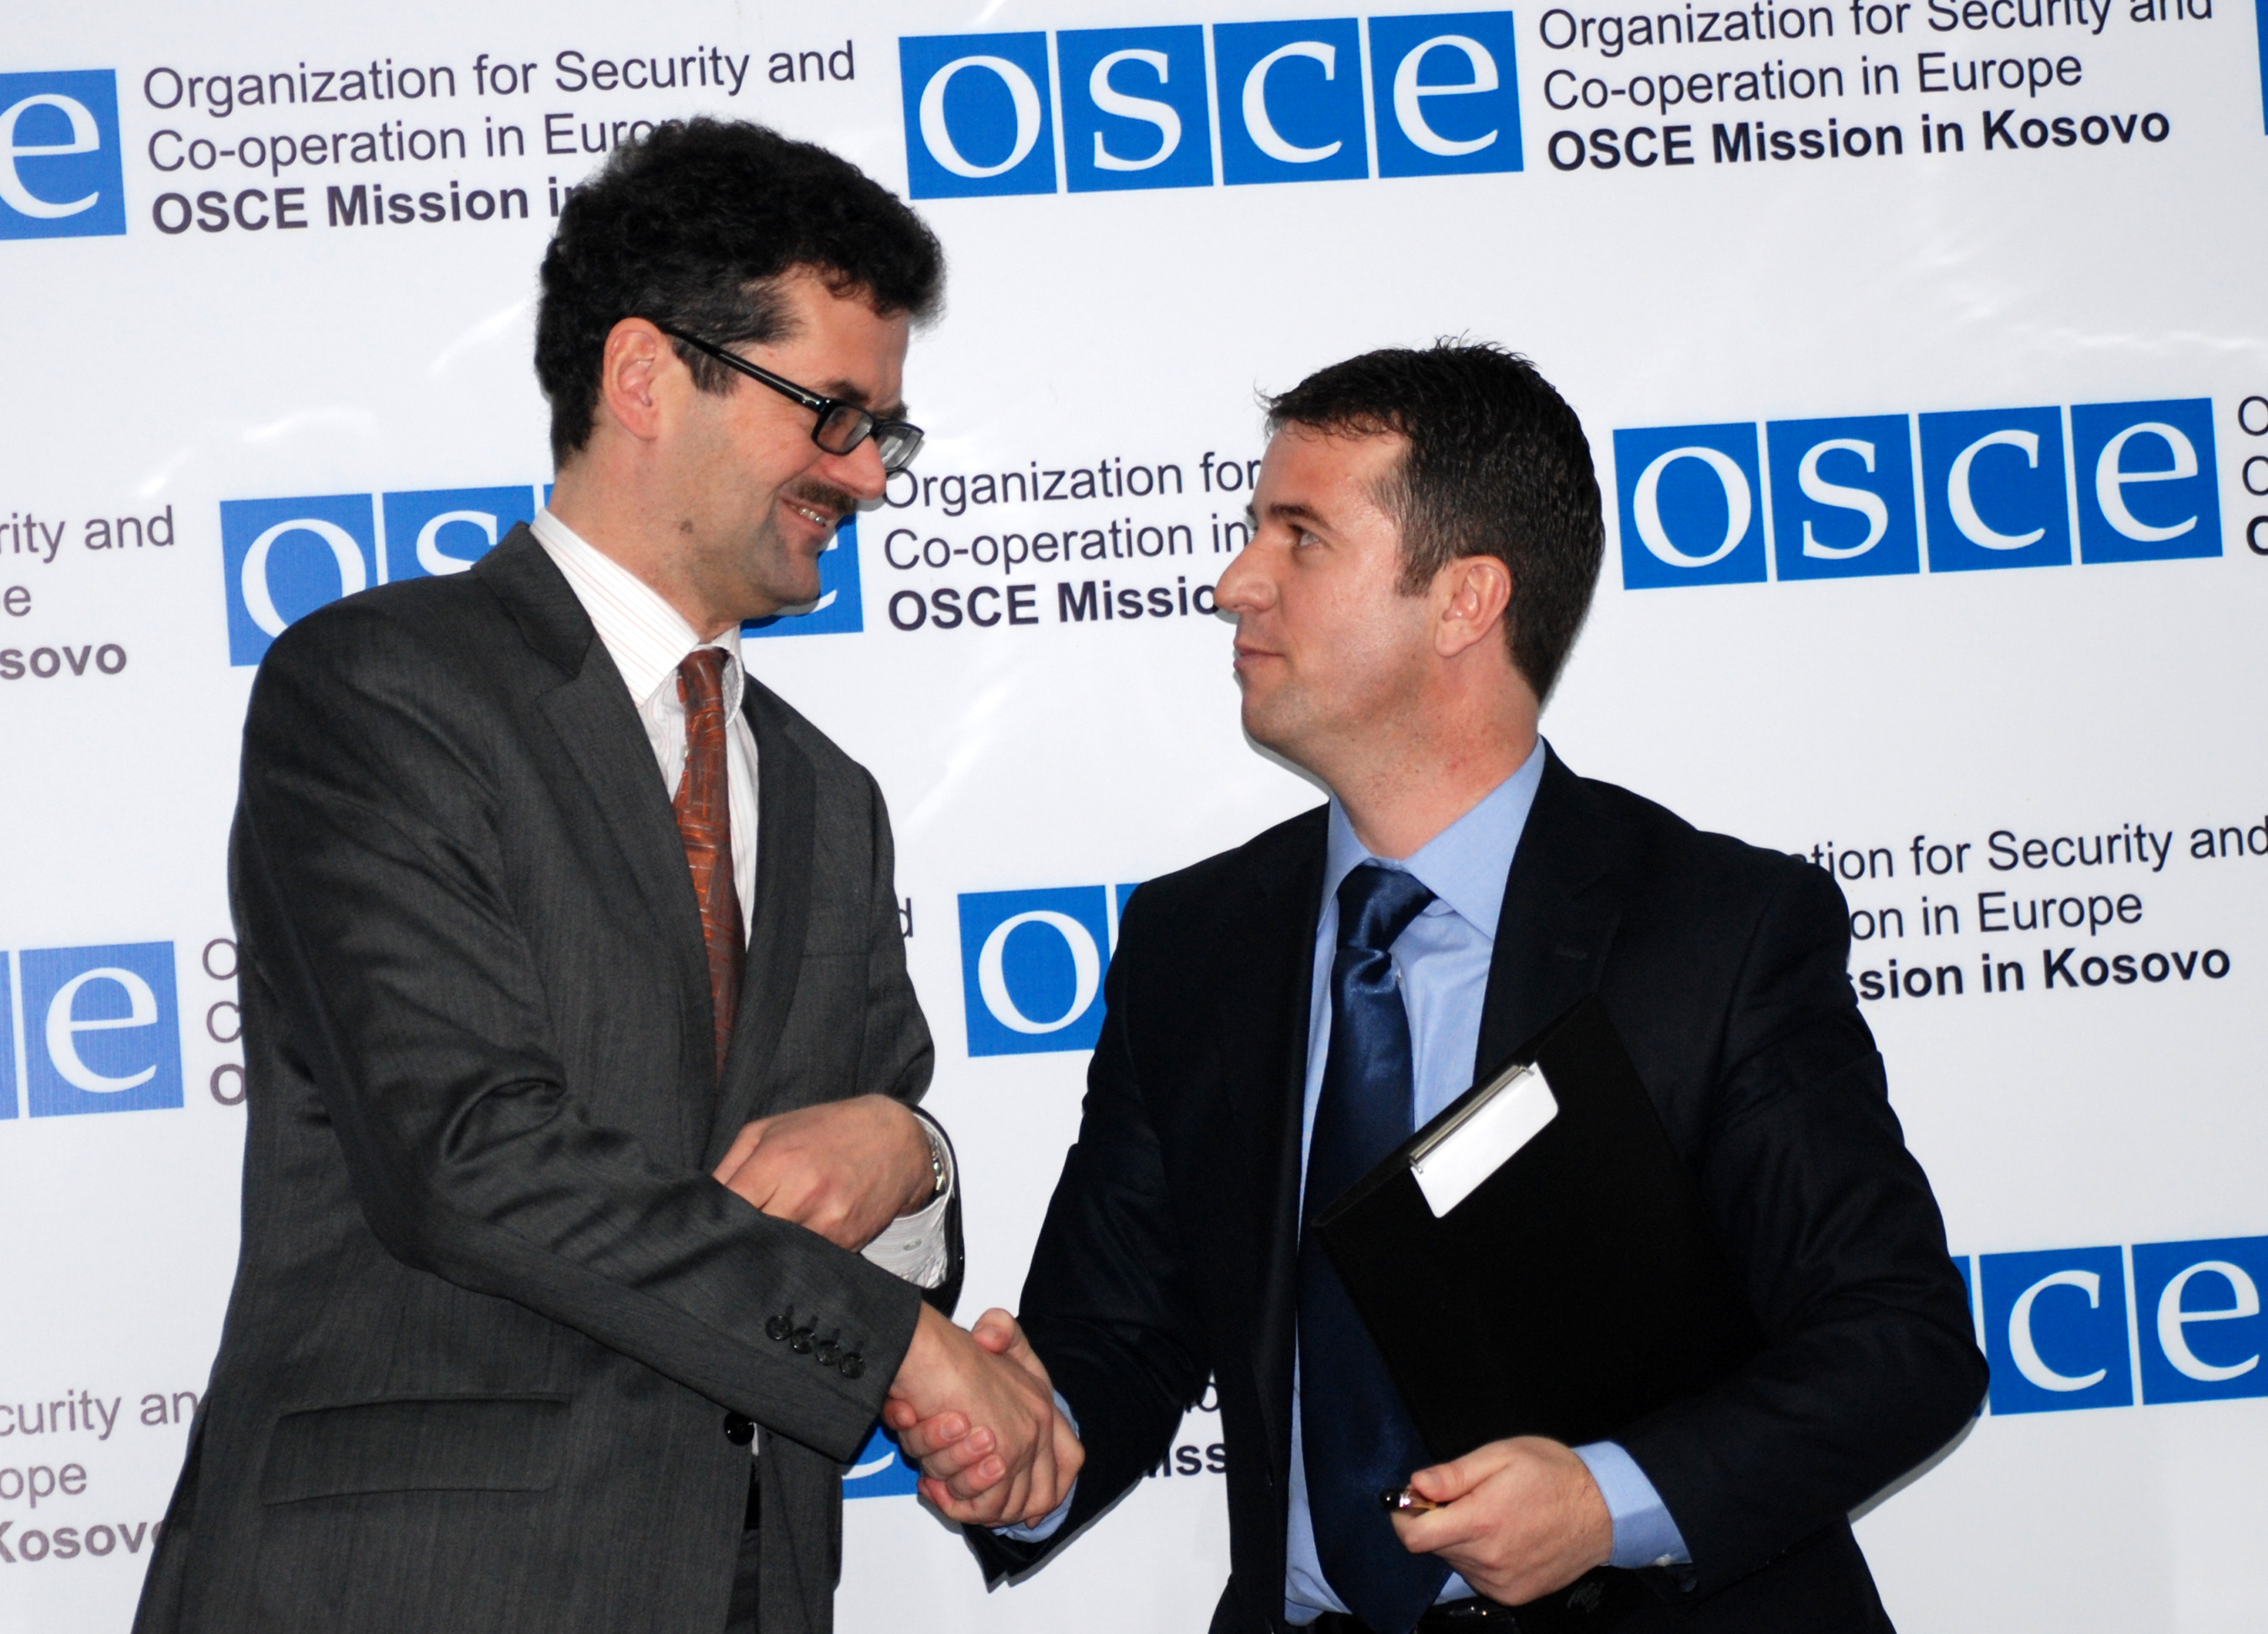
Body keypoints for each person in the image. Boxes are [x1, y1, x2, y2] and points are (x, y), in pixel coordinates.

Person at [134, 119, 1076, 1634]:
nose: (866, 477)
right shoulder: (383, 689)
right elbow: (470, 1158)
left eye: (883, 432)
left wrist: (912, 1160)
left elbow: (849, 1196)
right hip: (414, 1592)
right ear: (644, 376)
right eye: (833, 414)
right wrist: (904, 1353)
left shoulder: (828, 796)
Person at [893, 343, 1985, 1631]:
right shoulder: (1195, 944)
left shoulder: (1713, 934)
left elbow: (1896, 1345)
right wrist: (1032, 1445)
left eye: (1300, 538)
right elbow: (1119, 1330)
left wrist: (1604, 1502)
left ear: (1464, 600)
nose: (1234, 582)